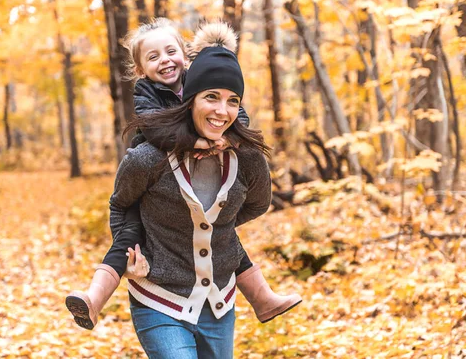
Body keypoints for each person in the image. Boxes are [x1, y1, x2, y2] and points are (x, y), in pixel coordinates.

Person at [65, 19, 301, 333]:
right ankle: (94, 298)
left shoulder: (204, 83)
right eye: (153, 57)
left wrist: (227, 139)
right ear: (141, 69)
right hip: (153, 177)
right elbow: (154, 127)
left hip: (197, 186)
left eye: (170, 51)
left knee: (221, 231)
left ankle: (263, 298)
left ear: (185, 56)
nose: (164, 60)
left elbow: (236, 115)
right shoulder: (146, 93)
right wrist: (197, 142)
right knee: (128, 236)